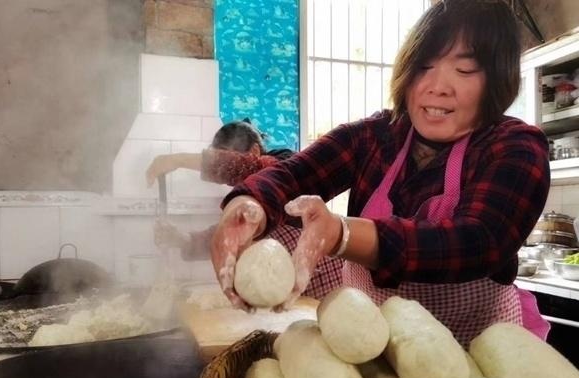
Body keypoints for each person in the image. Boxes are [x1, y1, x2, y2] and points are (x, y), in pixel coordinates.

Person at [210, 0, 551, 347]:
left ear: (498, 80)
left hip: (473, 356)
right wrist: (244, 204)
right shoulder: (374, 137)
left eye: (464, 71)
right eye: (424, 67)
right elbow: (292, 176)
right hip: (370, 351)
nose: (437, 86)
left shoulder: (515, 148)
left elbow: (479, 242)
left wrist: (342, 234)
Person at [146, 119, 344, 300]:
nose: (223, 162)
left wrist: (177, 160)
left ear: (255, 151)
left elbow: (246, 167)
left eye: (224, 154)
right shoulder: (251, 200)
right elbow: (232, 234)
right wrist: (182, 240)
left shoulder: (285, 164)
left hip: (328, 286)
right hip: (294, 293)